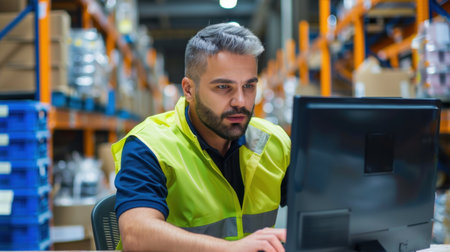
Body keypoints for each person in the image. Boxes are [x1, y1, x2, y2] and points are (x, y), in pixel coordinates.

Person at [112, 22, 291, 251]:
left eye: (249, 86)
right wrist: (232, 248)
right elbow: (136, 235)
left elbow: (317, 207)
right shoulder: (150, 145)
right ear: (189, 90)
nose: (241, 101)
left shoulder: (274, 143)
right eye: (224, 87)